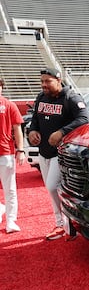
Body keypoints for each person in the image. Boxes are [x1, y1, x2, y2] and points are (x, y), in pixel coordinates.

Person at [28, 67, 89, 241]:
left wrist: (62, 131)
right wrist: (32, 131)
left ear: (58, 79)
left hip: (62, 153)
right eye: (42, 81)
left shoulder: (71, 97)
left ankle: (68, 224)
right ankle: (61, 224)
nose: (44, 85)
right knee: (51, 189)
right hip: (44, 151)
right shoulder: (41, 97)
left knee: (53, 186)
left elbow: (84, 118)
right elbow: (35, 120)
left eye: (47, 81)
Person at [0, 78, 25, 233]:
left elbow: (17, 129)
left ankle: (11, 221)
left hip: (6, 153)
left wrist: (20, 150)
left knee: (10, 189)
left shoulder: (10, 105)